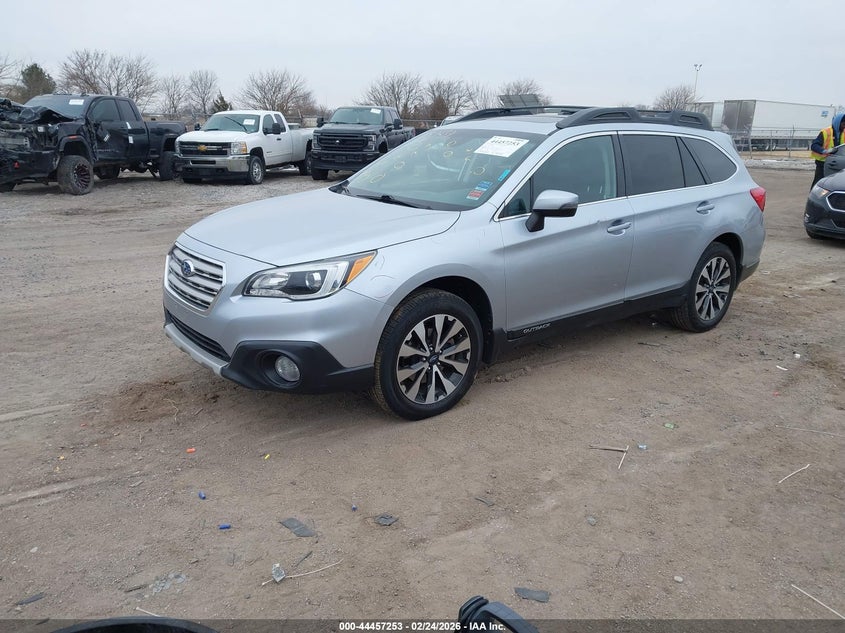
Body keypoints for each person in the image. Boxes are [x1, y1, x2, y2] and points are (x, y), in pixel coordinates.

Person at [810, 112, 845, 188]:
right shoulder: (825, 132)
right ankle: (814, 198)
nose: (844, 127)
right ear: (838, 122)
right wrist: (824, 151)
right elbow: (814, 145)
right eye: (843, 124)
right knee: (818, 183)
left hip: (838, 163)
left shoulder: (844, 132)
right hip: (823, 163)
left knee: (834, 184)